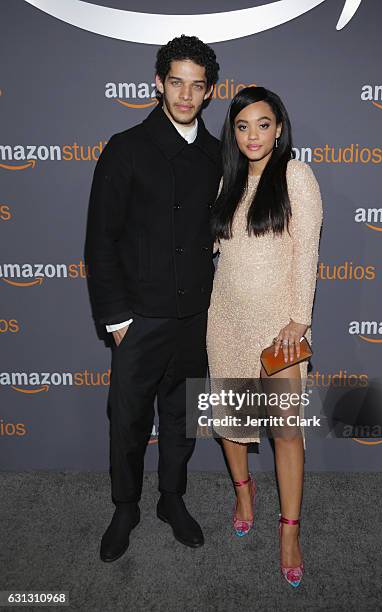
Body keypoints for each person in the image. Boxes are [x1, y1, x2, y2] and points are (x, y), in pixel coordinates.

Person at [84, 35, 221, 562]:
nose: (185, 95)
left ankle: (171, 499)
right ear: (159, 83)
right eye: (176, 82)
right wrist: (117, 319)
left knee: (182, 417)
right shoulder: (126, 147)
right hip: (140, 317)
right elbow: (101, 237)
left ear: (208, 92)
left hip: (195, 316)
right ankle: (126, 506)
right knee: (128, 419)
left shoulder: (215, 153)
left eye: (196, 85)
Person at [207, 86, 323, 587]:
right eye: (242, 125)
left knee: (286, 431)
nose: (253, 135)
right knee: (231, 420)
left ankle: (290, 532)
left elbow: (307, 251)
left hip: (279, 328)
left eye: (263, 123)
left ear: (279, 128)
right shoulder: (226, 181)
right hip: (226, 319)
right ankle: (244, 493)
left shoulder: (296, 176)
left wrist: (298, 319)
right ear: (233, 132)